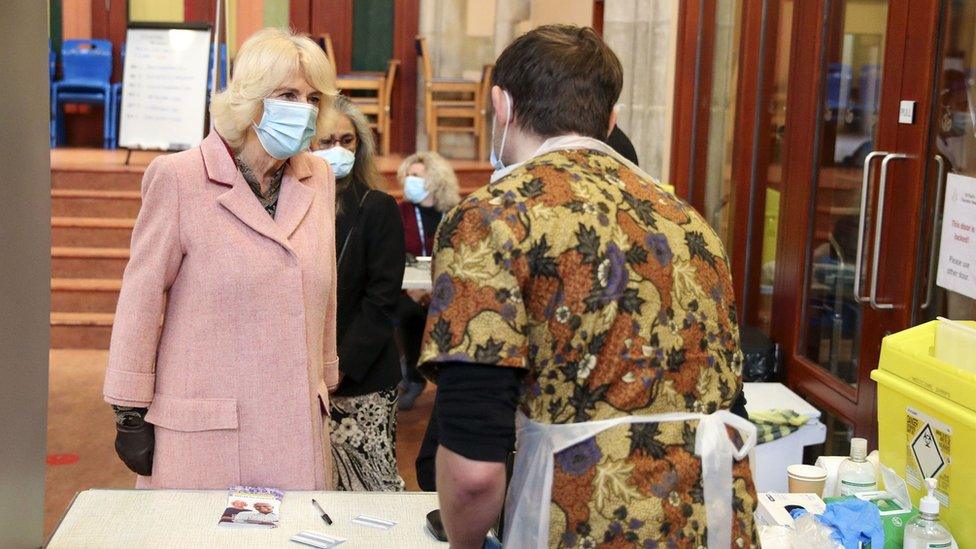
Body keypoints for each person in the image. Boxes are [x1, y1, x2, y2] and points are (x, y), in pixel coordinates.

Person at [418, 25, 758, 548]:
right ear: (610, 120)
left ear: (500, 104)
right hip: (708, 523)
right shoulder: (691, 223)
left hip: (580, 523)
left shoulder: (491, 219)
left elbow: (473, 472)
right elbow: (731, 410)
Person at [103, 28, 340, 490]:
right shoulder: (179, 177)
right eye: (289, 94)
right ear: (251, 100)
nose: (305, 110)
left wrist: (326, 376)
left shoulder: (319, 177)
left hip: (296, 425)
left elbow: (325, 285)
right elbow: (142, 296)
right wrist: (129, 410)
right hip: (207, 431)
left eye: (313, 98)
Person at [310, 96, 406, 492]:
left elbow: (382, 300)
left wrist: (338, 367)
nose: (338, 150)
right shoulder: (288, 205)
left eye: (347, 141)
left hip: (360, 379)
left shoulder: (378, 207)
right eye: (326, 141)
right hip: (302, 377)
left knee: (369, 493)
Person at [394, 151, 461, 410]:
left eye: (417, 176)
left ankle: (449, 380)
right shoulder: (401, 211)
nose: (410, 181)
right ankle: (412, 376)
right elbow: (393, 255)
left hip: (446, 289)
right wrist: (414, 290)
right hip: (408, 289)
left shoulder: (454, 213)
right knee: (407, 313)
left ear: (434, 180)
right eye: (408, 176)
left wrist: (438, 290)